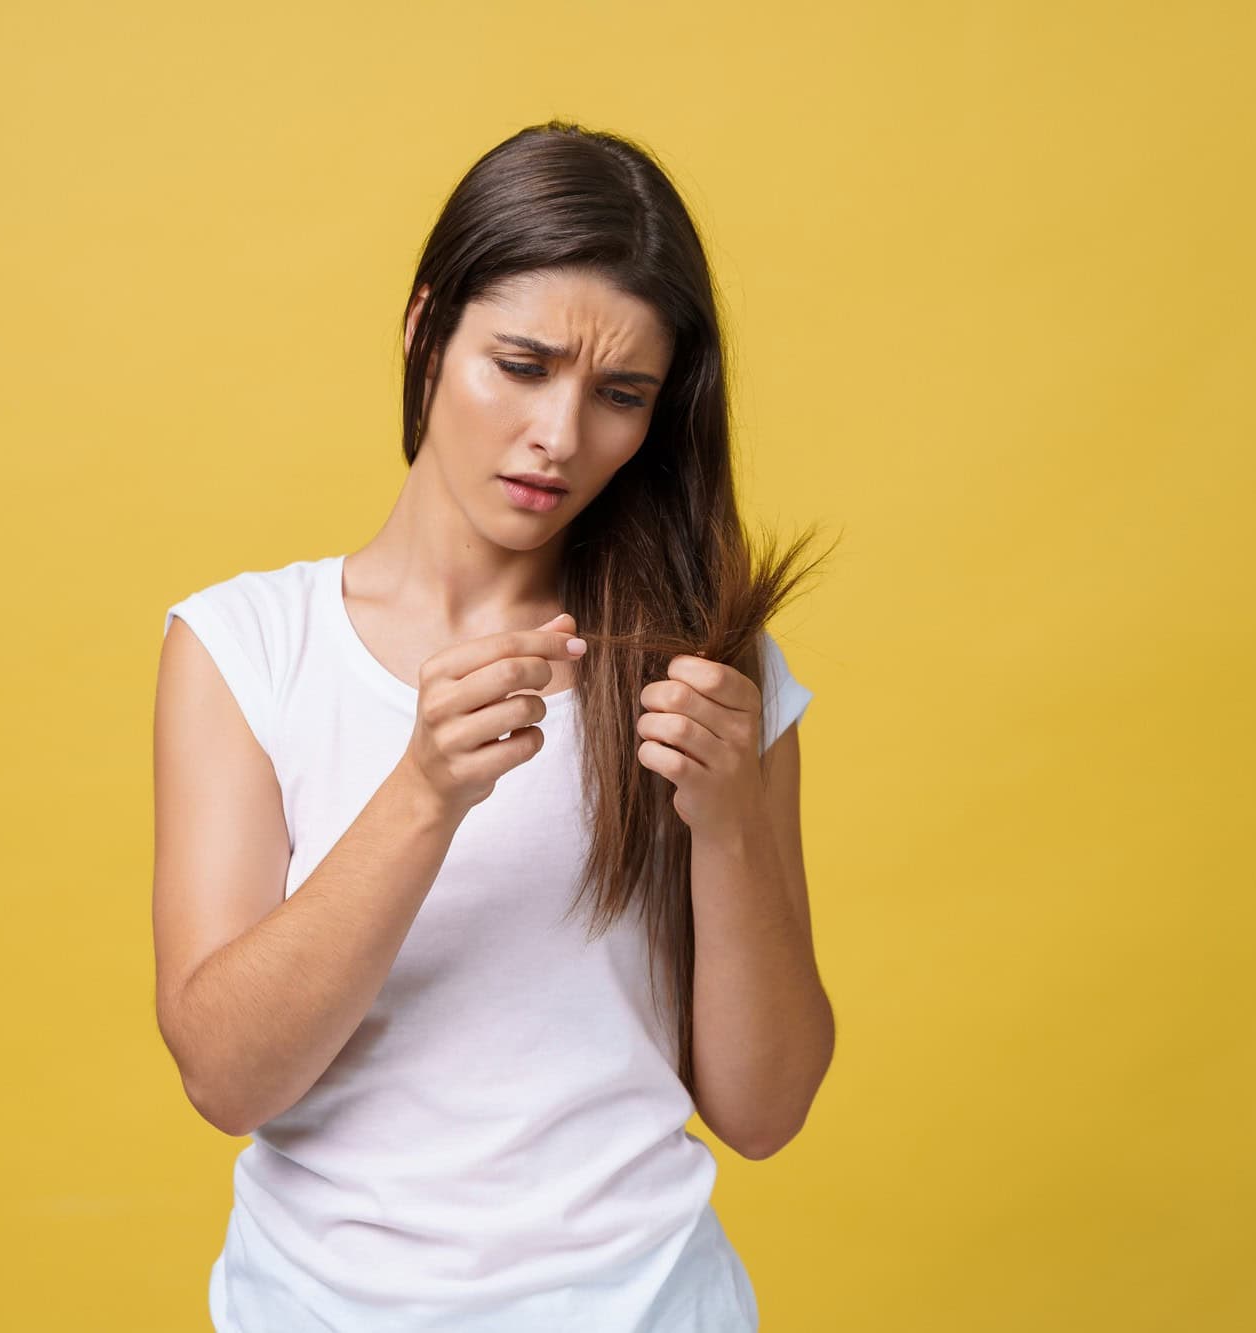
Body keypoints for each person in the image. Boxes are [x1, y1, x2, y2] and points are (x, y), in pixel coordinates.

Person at [152, 119, 835, 1331]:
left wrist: (726, 829)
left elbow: (766, 1108)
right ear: (425, 331)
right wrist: (423, 792)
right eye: (520, 365)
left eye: (619, 395)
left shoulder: (705, 675)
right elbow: (226, 1075)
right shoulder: (246, 646)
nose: (561, 438)